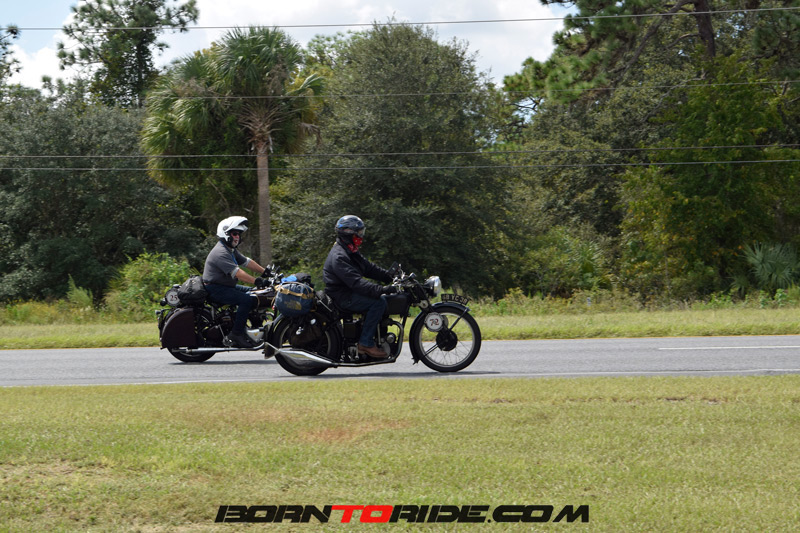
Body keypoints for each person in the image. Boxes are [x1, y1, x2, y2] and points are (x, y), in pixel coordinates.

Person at [322, 215, 397, 359]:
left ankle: (372, 336)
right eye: (359, 233)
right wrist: (381, 290)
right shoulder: (340, 256)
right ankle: (365, 343)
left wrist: (389, 276)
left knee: (380, 299)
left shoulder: (350, 250)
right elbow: (356, 283)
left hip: (347, 292)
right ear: (349, 234)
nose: (361, 236)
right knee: (378, 302)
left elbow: (369, 268)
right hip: (342, 296)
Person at [203, 216, 269, 348]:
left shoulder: (230, 249)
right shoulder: (221, 252)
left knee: (255, 293)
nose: (237, 237)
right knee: (246, 300)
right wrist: (256, 281)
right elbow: (237, 273)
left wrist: (266, 272)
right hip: (215, 289)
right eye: (234, 234)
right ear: (225, 234)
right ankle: (236, 334)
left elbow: (247, 262)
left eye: (239, 234)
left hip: (225, 286)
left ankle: (252, 327)